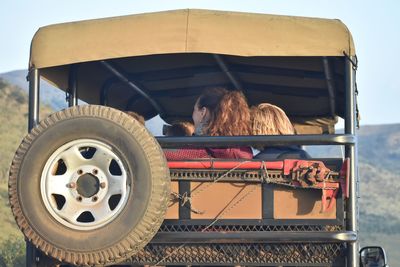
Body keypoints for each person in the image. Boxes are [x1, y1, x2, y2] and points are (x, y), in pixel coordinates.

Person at [164, 87, 253, 160]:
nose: (192, 115)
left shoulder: (193, 153)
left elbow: (162, 155)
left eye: (194, 110)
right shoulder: (246, 154)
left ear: (203, 112)